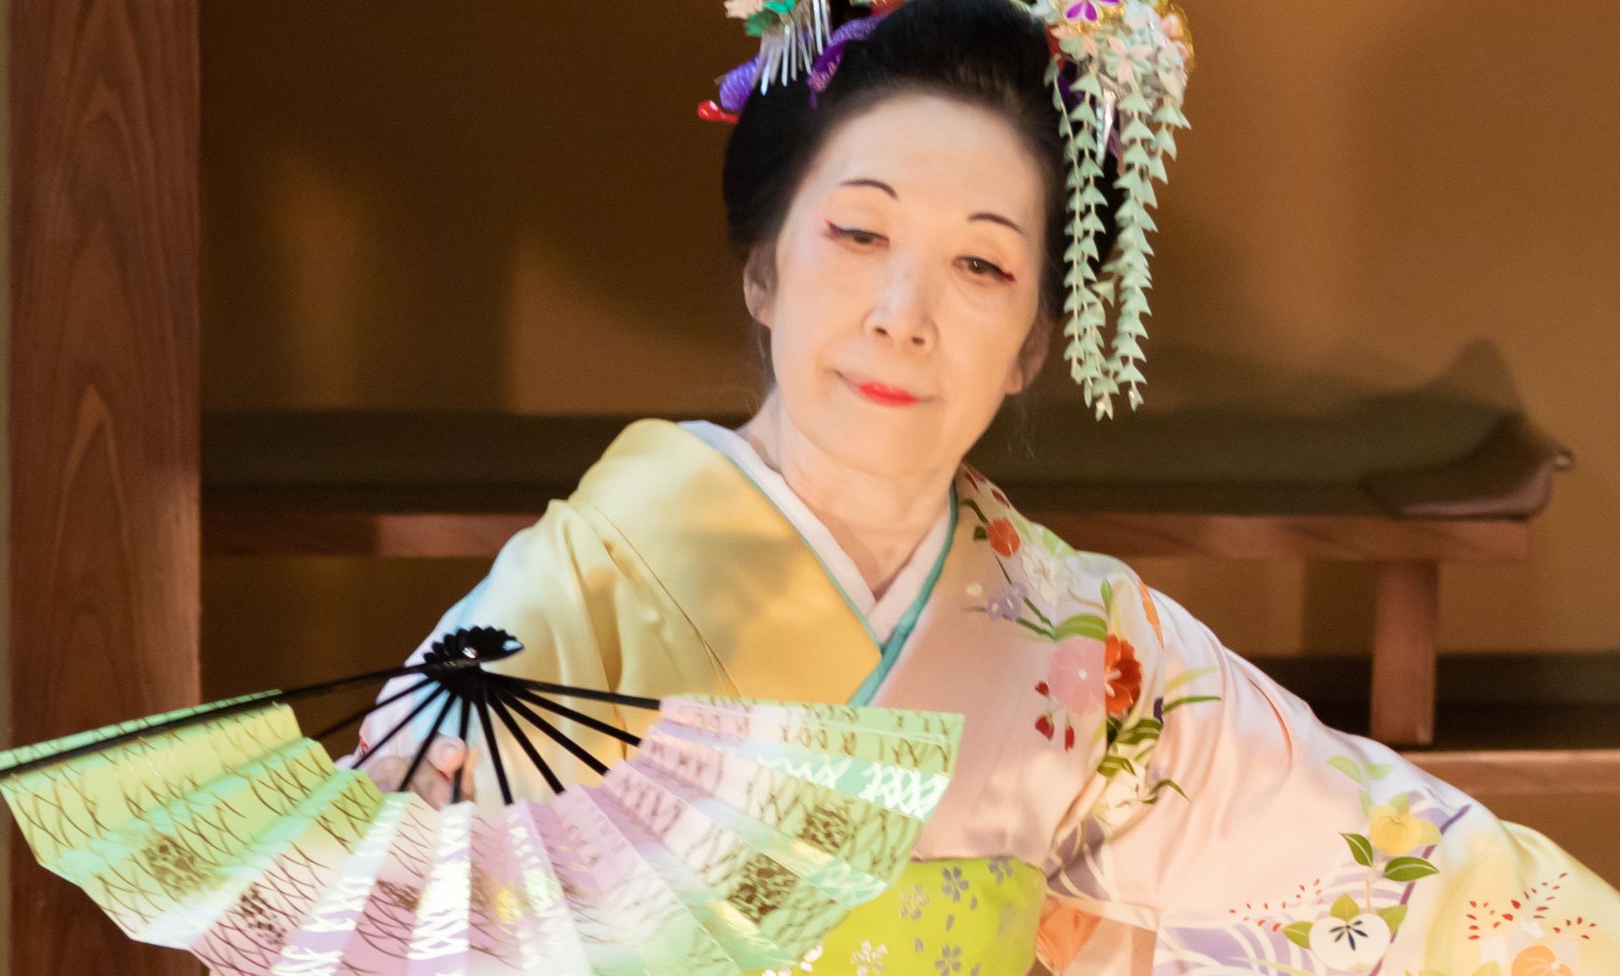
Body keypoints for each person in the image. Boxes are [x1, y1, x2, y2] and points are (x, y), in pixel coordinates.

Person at [356, 2, 1619, 974]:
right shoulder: (571, 598)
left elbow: (1394, 876)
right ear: (764, 269)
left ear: (1029, 346)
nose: (903, 314)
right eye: (859, 234)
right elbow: (392, 914)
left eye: (982, 265)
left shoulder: (1078, 639)